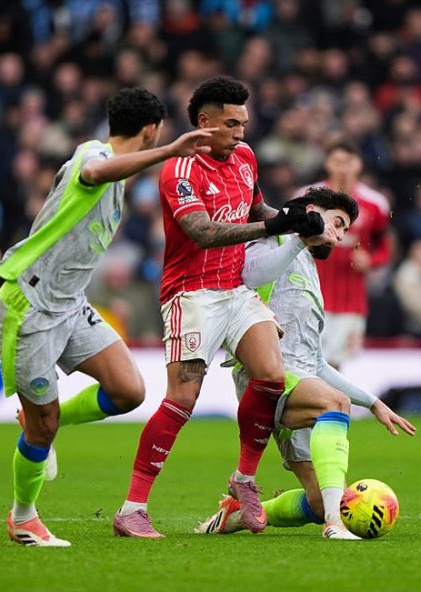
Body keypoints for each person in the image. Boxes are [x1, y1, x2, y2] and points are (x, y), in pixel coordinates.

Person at [0, 87, 215, 547]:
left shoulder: (114, 172)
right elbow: (93, 172)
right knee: (43, 425)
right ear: (151, 130)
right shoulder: (94, 156)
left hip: (70, 304)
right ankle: (23, 517)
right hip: (30, 306)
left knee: (128, 390)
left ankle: (39, 423)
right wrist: (169, 152)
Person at [114, 75, 321, 538]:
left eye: (243, 124)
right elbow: (203, 232)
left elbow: (257, 211)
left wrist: (296, 222)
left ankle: (243, 478)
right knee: (182, 400)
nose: (240, 133)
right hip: (191, 294)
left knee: (271, 375)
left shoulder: (245, 157)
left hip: (234, 288)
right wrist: (272, 229)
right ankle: (131, 509)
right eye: (231, 124)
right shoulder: (179, 170)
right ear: (204, 122)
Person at [193, 186, 416, 540]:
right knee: (335, 403)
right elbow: (249, 274)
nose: (340, 236)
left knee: (317, 500)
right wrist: (299, 236)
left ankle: (235, 516)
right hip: (265, 376)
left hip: (302, 381)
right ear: (312, 210)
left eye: (345, 231)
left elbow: (316, 363)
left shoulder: (310, 267)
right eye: (337, 223)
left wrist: (373, 403)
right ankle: (335, 524)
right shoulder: (275, 239)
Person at [299, 140, 392, 369]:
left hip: (350, 301)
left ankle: (329, 395)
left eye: (348, 162)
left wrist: (370, 260)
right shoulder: (308, 198)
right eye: (337, 162)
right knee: (304, 360)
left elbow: (385, 249)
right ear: (327, 164)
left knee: (334, 365)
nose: (343, 168)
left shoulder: (375, 204)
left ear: (359, 165)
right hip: (309, 294)